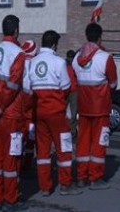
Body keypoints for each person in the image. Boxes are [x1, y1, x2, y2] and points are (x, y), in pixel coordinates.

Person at [29, 30, 82, 196]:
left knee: (43, 152)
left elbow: (29, 86)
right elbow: (66, 87)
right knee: (64, 147)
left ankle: (45, 187)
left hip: (39, 111)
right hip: (56, 112)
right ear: (54, 45)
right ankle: (65, 184)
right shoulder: (59, 62)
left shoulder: (33, 62)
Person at [0, 15, 28, 212]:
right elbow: (12, 85)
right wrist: (1, 106)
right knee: (12, 158)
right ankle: (10, 200)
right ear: (16, 31)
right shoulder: (18, 53)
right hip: (10, 113)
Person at [72, 23, 117, 190]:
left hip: (83, 107)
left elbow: (75, 79)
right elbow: (113, 84)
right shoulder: (106, 58)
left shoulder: (77, 58)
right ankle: (95, 178)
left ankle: (81, 176)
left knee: (82, 141)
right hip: (101, 107)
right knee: (99, 142)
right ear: (100, 38)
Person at [19, 40, 38, 172]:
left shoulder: (18, 61)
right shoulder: (34, 63)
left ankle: (18, 160)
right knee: (31, 132)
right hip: (31, 99)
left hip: (19, 98)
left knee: (19, 132)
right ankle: (27, 162)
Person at [65, 49, 78, 138]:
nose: (70, 59)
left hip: (73, 91)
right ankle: (65, 128)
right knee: (62, 111)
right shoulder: (63, 65)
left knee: (74, 112)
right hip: (66, 90)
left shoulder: (75, 66)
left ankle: (72, 130)